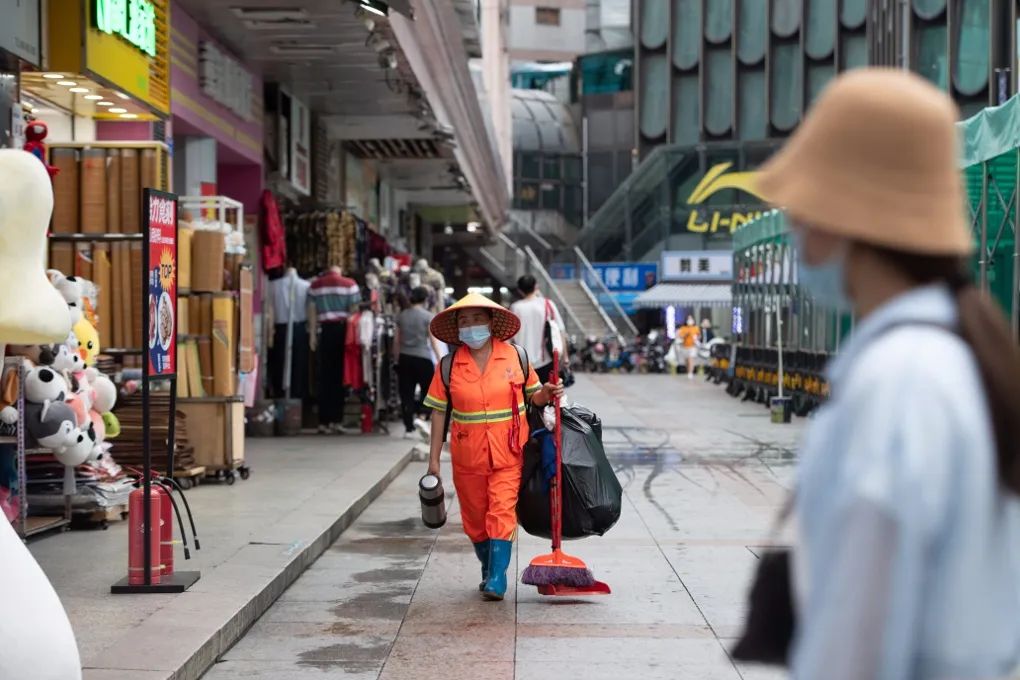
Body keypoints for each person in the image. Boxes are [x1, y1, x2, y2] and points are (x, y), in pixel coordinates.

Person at [755, 68, 1020, 679]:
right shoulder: (953, 356)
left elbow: (857, 639)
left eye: (805, 201)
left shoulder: (897, 381)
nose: (793, 222)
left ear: (843, 214)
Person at [422, 293, 563, 601]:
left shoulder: (516, 357)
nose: (470, 326)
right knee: (475, 519)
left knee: (501, 511)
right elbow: (437, 413)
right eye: (464, 321)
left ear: (490, 322)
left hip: (509, 452)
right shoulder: (449, 365)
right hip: (467, 456)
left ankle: (497, 577)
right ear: (457, 329)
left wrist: (548, 392)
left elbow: (533, 396)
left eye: (476, 319)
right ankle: (488, 567)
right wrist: (433, 461)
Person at [394, 287, 442, 439]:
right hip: (423, 357)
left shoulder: (401, 316)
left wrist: (396, 359)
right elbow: (433, 341)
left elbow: (396, 340)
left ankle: (408, 428)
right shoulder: (428, 316)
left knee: (406, 392)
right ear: (425, 299)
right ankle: (422, 416)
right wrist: (440, 358)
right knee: (428, 390)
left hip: (404, 357)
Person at [510, 275, 568, 384]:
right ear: (536, 286)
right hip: (546, 360)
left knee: (525, 398)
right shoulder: (547, 304)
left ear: (519, 290)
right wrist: (565, 357)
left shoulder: (515, 308)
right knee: (546, 397)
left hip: (522, 362)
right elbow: (560, 330)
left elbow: (510, 337)